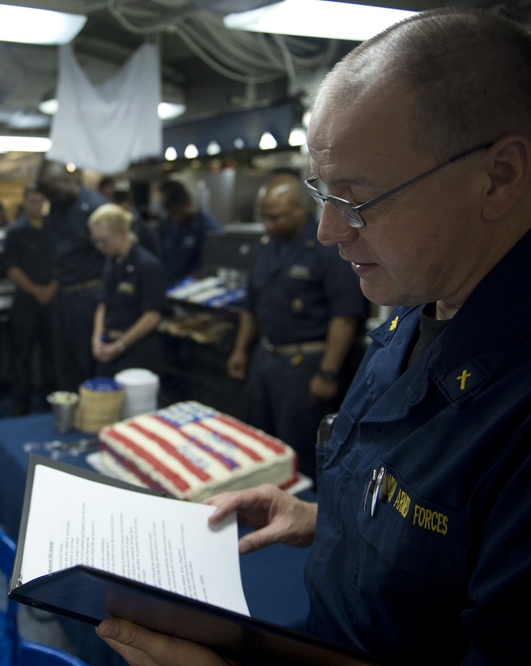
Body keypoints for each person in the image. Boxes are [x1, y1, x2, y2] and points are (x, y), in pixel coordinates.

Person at [97, 9, 531, 665]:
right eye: (321, 191)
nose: (328, 231)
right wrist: (325, 519)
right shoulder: (418, 304)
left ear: (497, 177)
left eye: (357, 198)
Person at [226, 173, 367, 480]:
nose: (267, 223)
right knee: (258, 441)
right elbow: (252, 307)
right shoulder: (265, 247)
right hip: (266, 359)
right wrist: (240, 350)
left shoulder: (327, 250)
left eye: (274, 217)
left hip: (305, 365)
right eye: (262, 216)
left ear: (298, 209)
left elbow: (344, 315)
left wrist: (328, 372)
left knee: (299, 452)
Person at [38, 161, 109, 391]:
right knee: (63, 360)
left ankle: (92, 413)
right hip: (63, 295)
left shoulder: (96, 208)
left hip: (89, 294)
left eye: (55, 192)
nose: (52, 198)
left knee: (86, 361)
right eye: (48, 195)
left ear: (69, 180)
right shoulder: (57, 209)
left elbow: (113, 256)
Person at [89, 204, 166, 376]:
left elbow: (152, 316)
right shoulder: (111, 262)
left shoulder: (148, 266)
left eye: (104, 240)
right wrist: (96, 338)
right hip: (108, 346)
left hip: (136, 352)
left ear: (122, 234)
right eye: (96, 241)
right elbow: (103, 303)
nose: (99, 246)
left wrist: (119, 346)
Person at [2, 184, 56, 416]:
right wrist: (36, 290)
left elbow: (63, 264)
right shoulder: (15, 232)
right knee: (22, 353)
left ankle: (48, 397)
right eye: (33, 201)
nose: (37, 205)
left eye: (41, 201)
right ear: (25, 202)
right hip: (26, 300)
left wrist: (51, 288)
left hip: (52, 300)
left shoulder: (53, 229)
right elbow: (11, 268)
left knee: (51, 353)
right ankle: (21, 401)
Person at [159, 186, 223, 284]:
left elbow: (212, 266)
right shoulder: (171, 225)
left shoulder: (208, 228)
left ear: (188, 205)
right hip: (168, 283)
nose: (175, 218)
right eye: (171, 214)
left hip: (190, 288)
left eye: (177, 213)